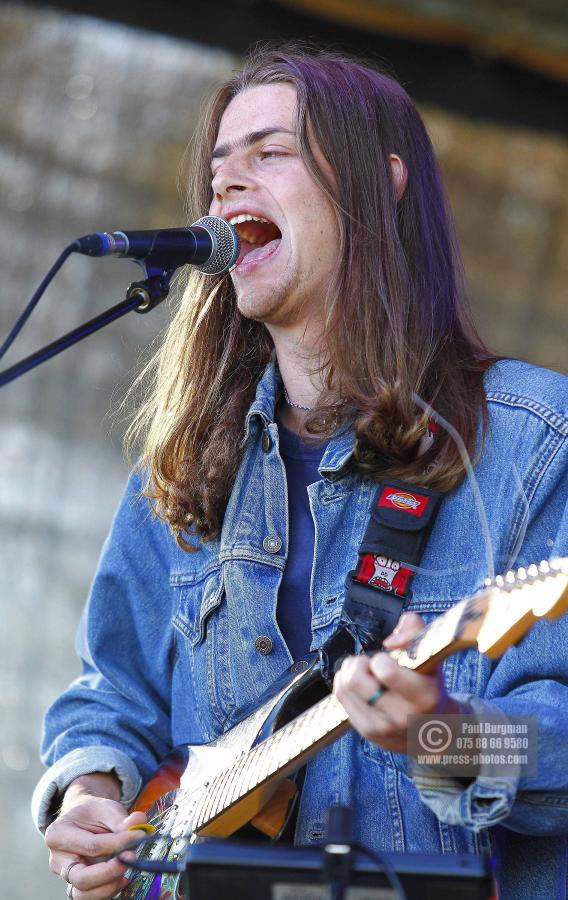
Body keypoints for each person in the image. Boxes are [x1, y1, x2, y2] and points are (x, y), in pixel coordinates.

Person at [33, 45, 568, 899]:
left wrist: (440, 733)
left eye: (269, 152)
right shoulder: (184, 461)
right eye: (219, 164)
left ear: (378, 185)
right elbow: (111, 692)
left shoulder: (535, 441)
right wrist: (92, 790)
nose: (226, 184)